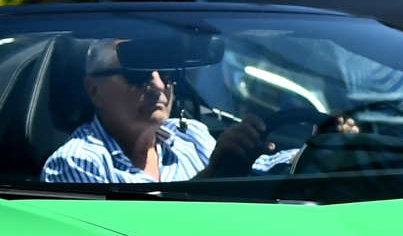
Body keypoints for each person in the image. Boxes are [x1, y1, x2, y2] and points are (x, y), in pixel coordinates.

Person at [42, 39, 284, 184]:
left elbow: (266, 165)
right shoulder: (77, 163)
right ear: (94, 90)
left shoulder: (191, 136)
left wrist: (316, 145)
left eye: (166, 73)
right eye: (138, 73)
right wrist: (210, 179)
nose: (158, 85)